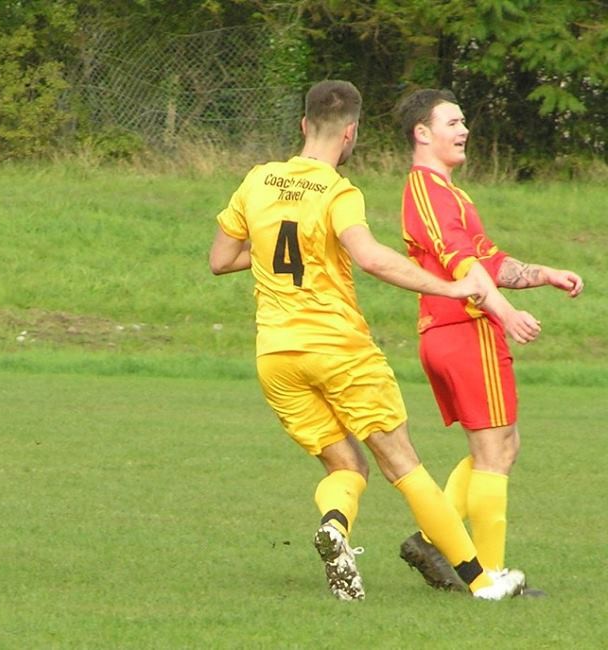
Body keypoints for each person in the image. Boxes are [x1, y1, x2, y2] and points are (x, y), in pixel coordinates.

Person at [209, 79, 527, 601]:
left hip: (276, 356)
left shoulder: (257, 180)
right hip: (338, 350)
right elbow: (372, 257)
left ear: (304, 124)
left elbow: (221, 259)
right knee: (403, 464)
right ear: (351, 133)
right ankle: (481, 581)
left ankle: (334, 526)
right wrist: (451, 286)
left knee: (347, 466)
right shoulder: (338, 192)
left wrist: (275, 252)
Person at [394, 88, 583, 593]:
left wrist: (544, 273)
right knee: (494, 452)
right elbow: (462, 265)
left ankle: (433, 538)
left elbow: (488, 260)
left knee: (502, 445)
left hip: (461, 330)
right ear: (422, 133)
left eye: (463, 122)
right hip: (463, 329)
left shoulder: (450, 193)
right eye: (453, 123)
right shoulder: (427, 190)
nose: (464, 130)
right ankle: (490, 576)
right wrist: (505, 312)